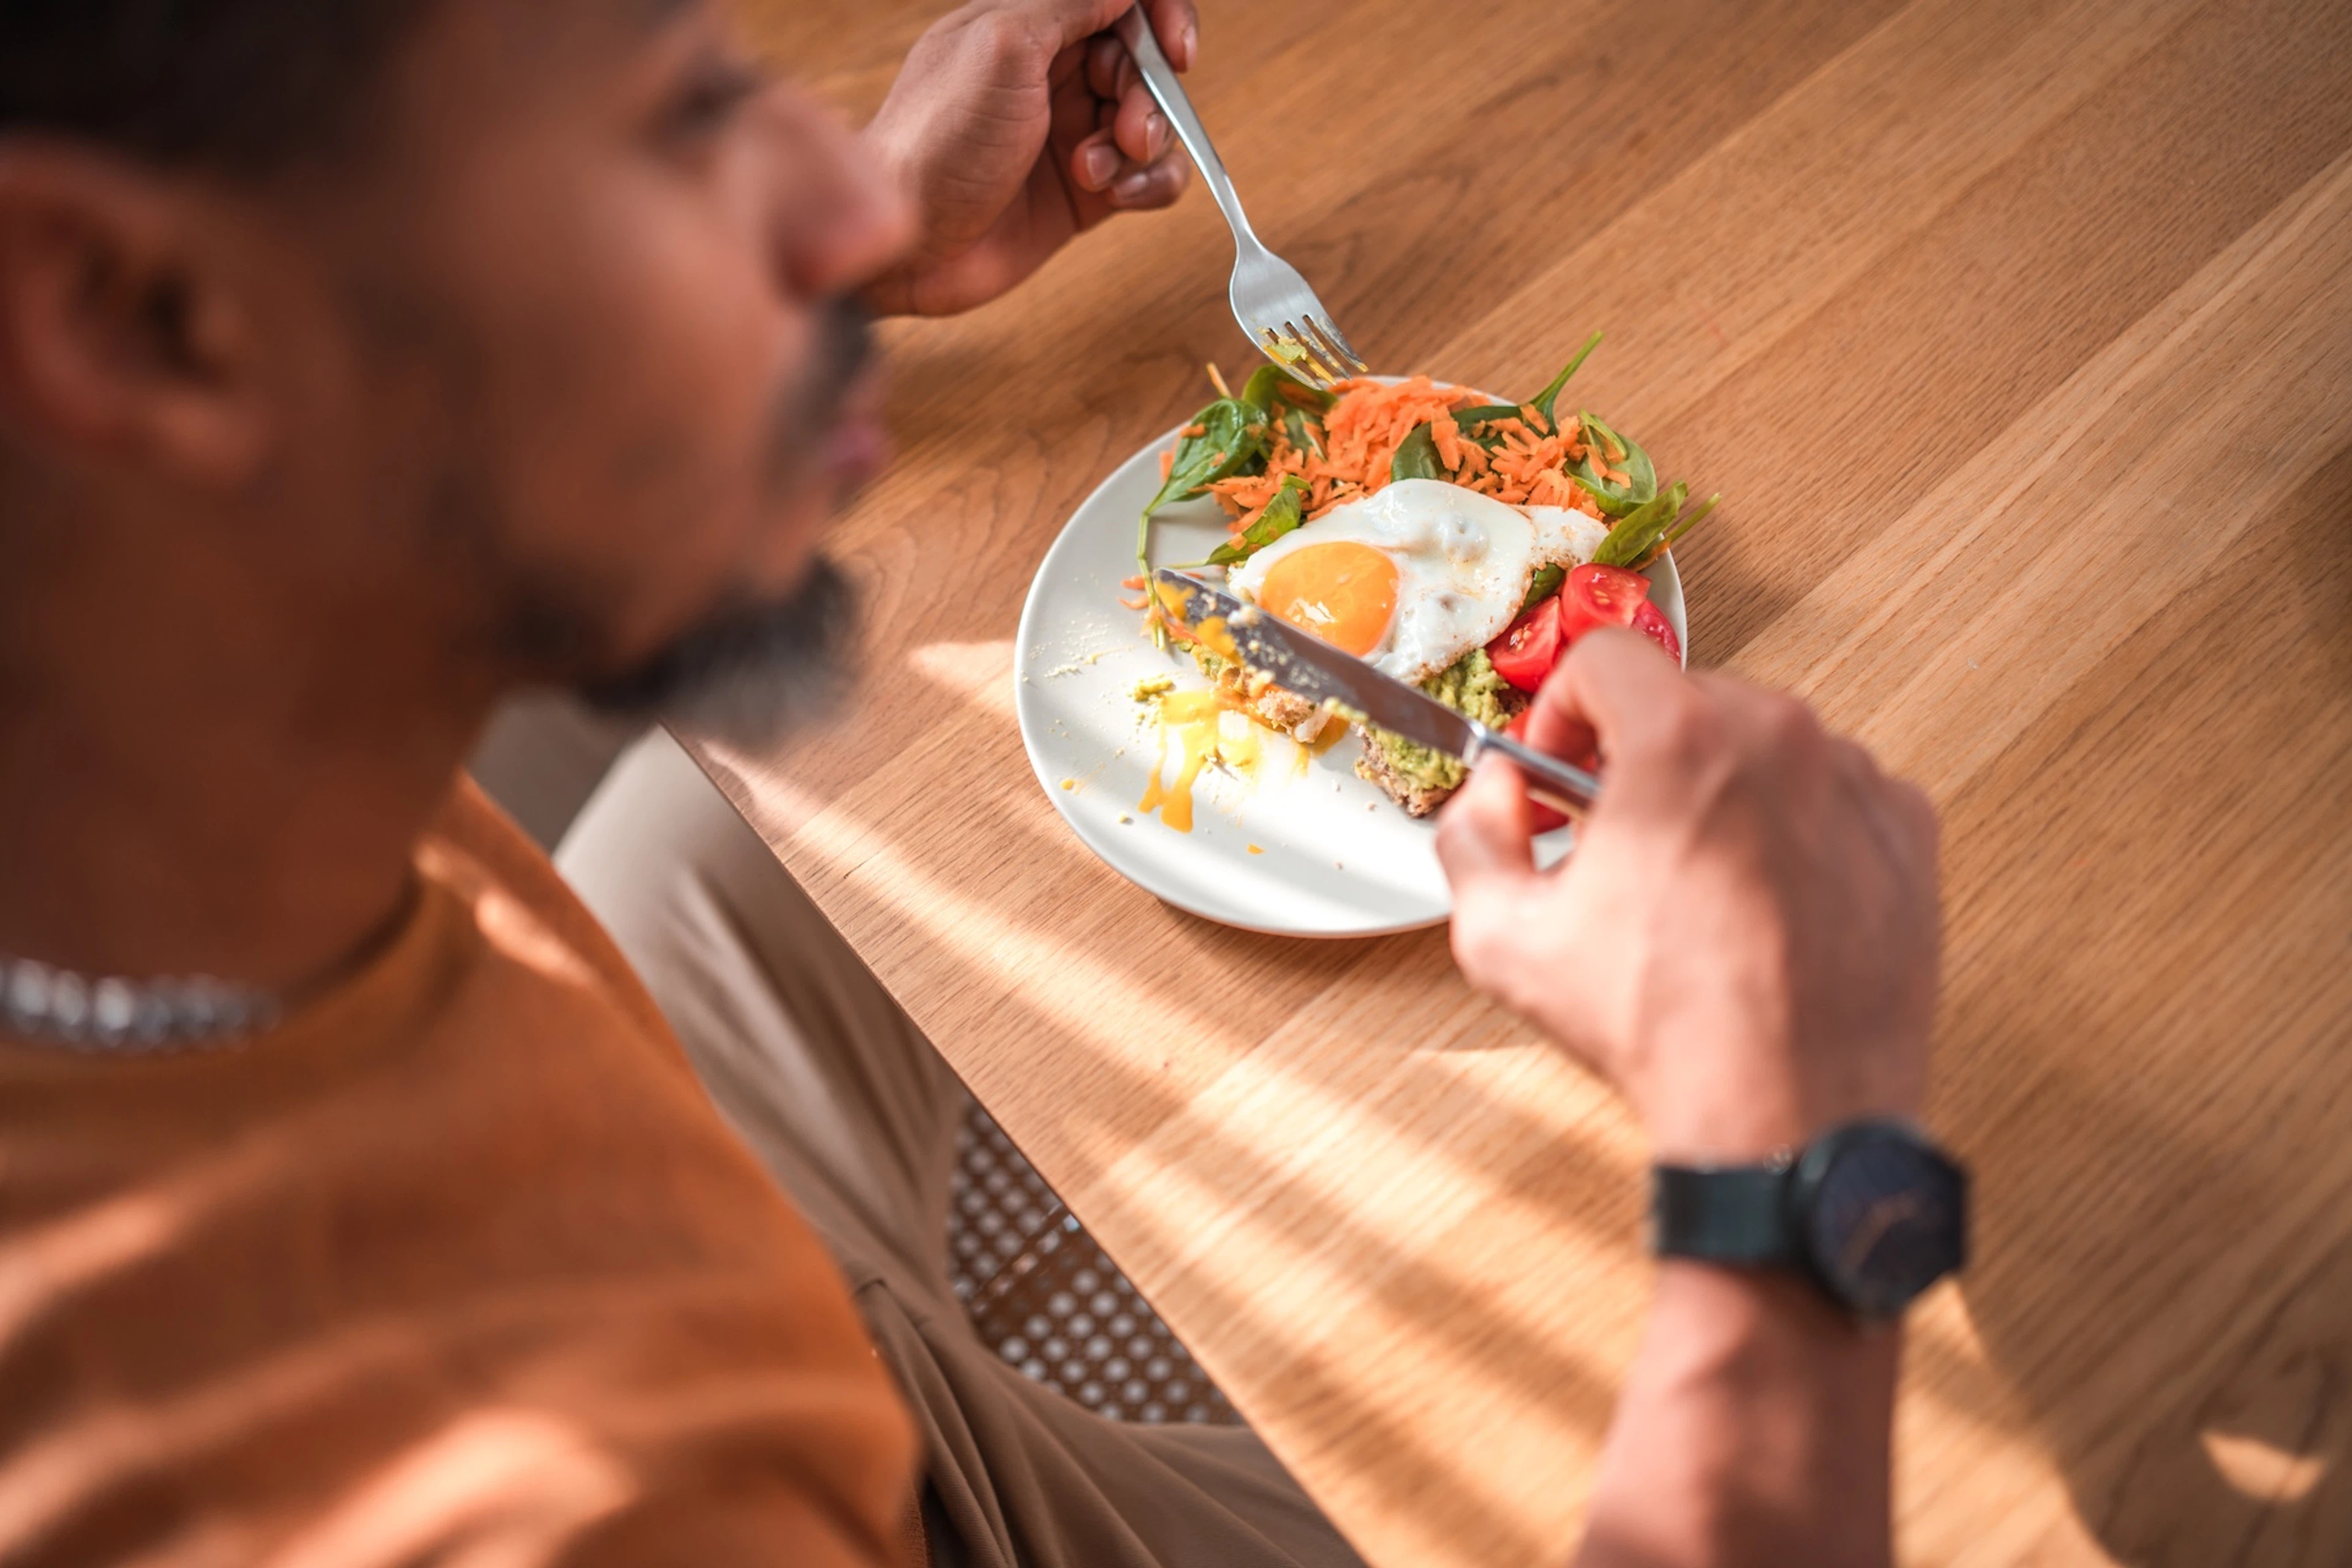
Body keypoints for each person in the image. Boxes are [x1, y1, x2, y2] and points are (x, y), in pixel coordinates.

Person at [0, 0, 1950, 1564]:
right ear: (132, 317)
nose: (835, 211)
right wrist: (1795, 1177)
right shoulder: (559, 1496)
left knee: (724, 845)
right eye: (651, 120)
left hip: (644, 1161)